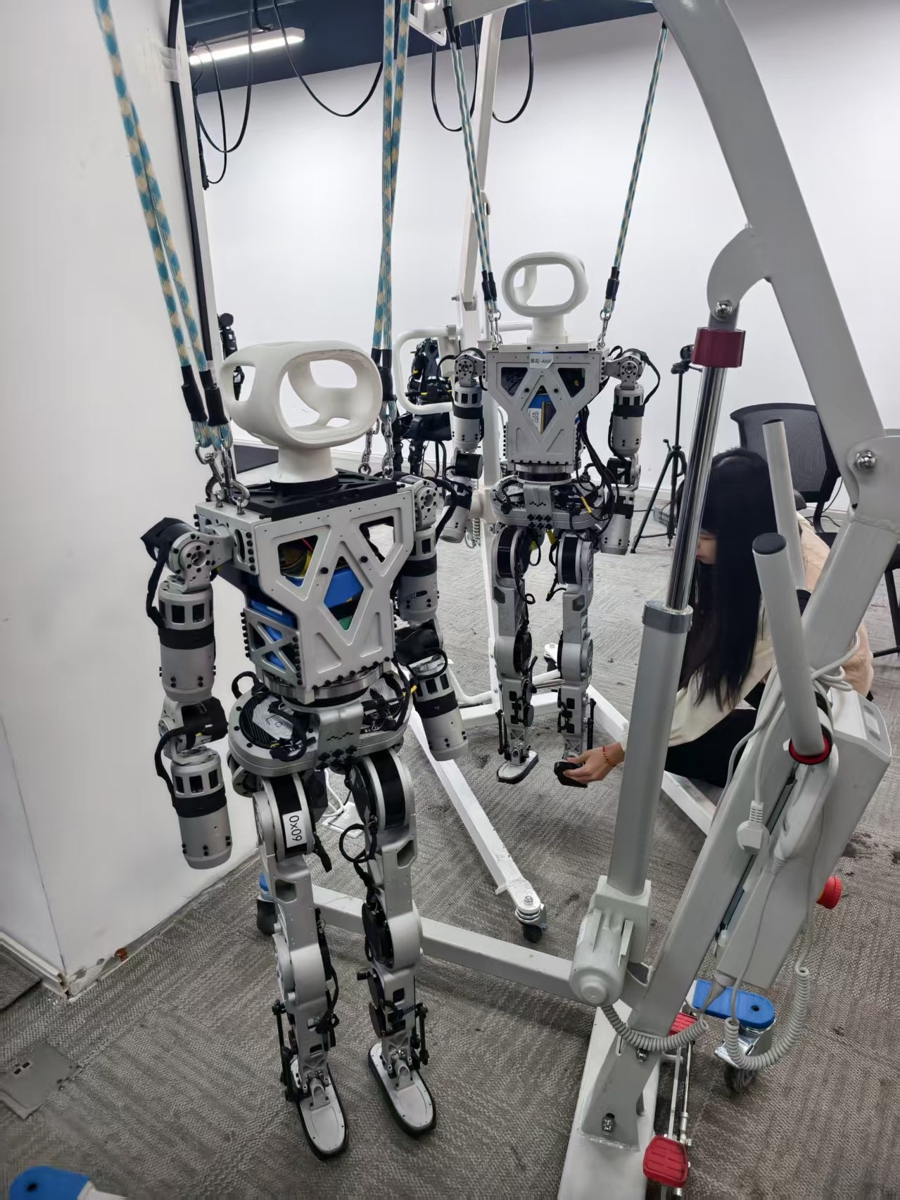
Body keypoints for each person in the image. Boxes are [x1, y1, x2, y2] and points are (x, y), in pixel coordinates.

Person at [564, 449, 873, 789]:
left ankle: (795, 776)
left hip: (824, 703)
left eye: (706, 537)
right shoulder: (772, 525)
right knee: (683, 665)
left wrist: (617, 752)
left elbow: (719, 684)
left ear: (742, 534)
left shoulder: (790, 594)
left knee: (664, 748)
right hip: (774, 667)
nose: (693, 545)